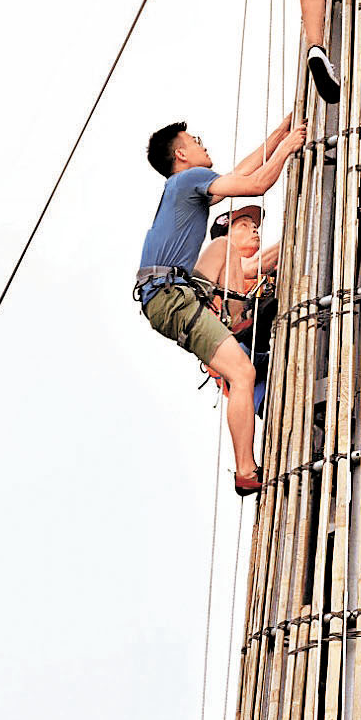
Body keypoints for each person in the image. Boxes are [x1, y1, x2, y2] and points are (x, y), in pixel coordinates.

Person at [134, 116, 305, 494]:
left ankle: (236, 316)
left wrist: (280, 132)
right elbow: (257, 183)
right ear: (181, 153)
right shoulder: (185, 180)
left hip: (168, 291)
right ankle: (246, 471)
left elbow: (242, 172)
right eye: (194, 140)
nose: (201, 143)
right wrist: (289, 147)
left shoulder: (186, 186)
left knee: (225, 247)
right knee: (242, 374)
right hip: (171, 295)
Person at [195, 204, 279, 417]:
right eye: (244, 225)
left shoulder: (264, 277)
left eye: (254, 226)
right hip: (235, 352)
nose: (254, 230)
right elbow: (253, 266)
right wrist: (293, 235)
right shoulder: (221, 265)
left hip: (263, 359)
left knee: (286, 409)